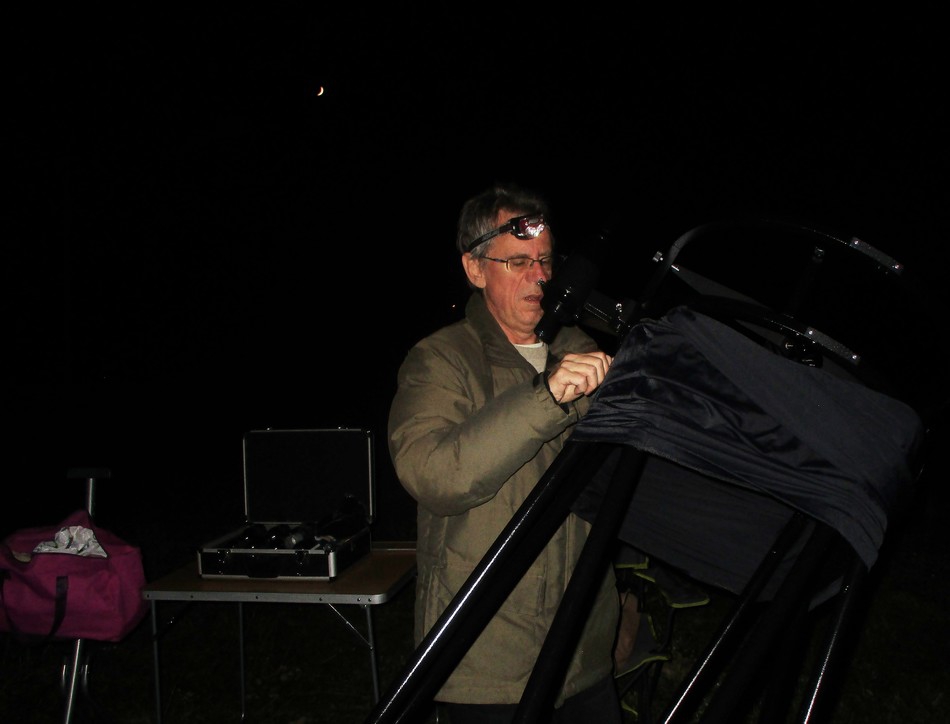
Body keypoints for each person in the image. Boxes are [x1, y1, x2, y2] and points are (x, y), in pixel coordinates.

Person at [388, 182, 623, 723]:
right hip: (486, 662)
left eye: (546, 261)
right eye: (517, 262)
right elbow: (433, 475)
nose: (540, 276)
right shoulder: (441, 359)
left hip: (583, 653)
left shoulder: (585, 352)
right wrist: (546, 398)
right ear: (475, 269)